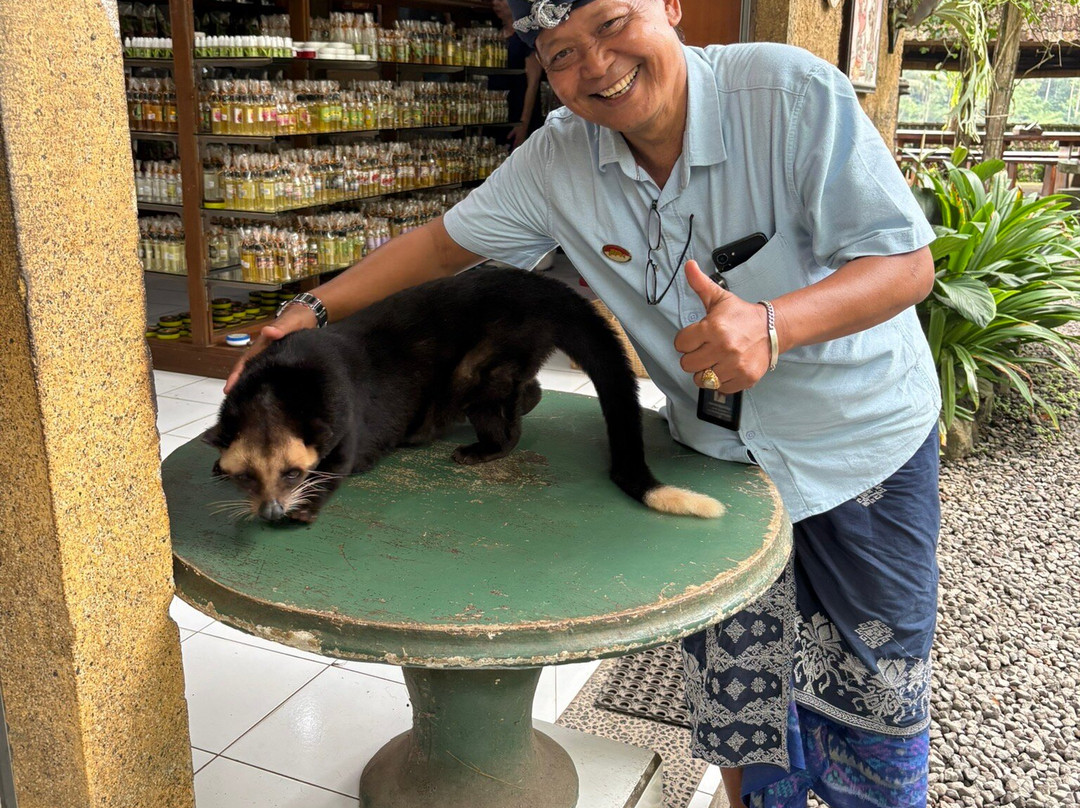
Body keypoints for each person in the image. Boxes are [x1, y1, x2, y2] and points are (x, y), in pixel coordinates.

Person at [226, 2, 941, 805]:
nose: (594, 65)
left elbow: (906, 265)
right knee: (742, 696)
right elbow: (438, 246)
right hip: (718, 455)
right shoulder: (557, 159)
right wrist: (310, 311)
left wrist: (777, 323)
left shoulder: (787, 95)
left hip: (860, 446)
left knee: (873, 690)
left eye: (610, 23)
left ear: (669, 5)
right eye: (561, 53)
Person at [490, 0, 546, 150]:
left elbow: (533, 83)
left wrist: (523, 124)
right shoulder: (493, 35)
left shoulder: (526, 36)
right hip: (497, 111)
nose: (495, 3)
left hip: (518, 111)